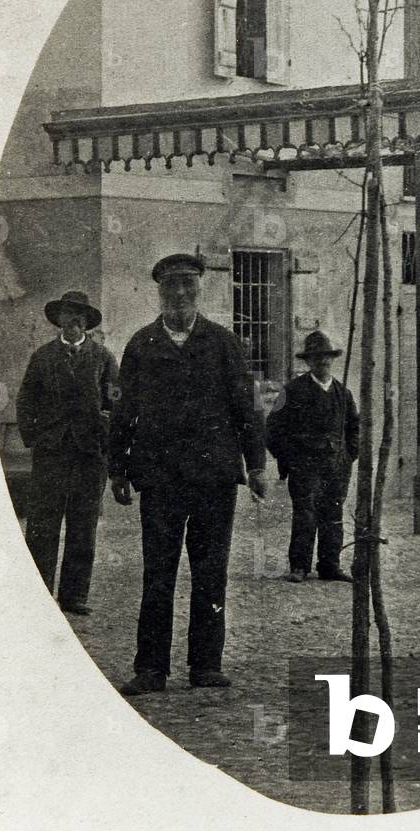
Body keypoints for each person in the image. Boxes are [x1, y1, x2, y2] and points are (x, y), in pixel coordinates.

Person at [109, 253, 269, 695]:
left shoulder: (224, 343)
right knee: (158, 574)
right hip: (160, 478)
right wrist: (116, 468)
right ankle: (151, 669)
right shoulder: (141, 346)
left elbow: (246, 409)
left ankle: (206, 665)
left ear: (199, 290)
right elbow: (123, 412)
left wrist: (256, 464)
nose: (180, 294)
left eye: (188, 286)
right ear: (160, 292)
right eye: (171, 287)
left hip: (214, 477)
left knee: (211, 572)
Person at [16, 290, 119, 615]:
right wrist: (36, 437)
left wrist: (105, 435)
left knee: (83, 525)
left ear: (87, 323)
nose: (73, 321)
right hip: (52, 454)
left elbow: (115, 401)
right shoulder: (42, 357)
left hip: (89, 455)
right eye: (67, 315)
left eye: (80, 316)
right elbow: (25, 401)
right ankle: (39, 592)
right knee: (43, 524)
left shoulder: (103, 358)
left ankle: (74, 596)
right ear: (58, 319)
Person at [266, 331, 359, 584]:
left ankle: (330, 565)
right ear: (308, 362)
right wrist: (291, 460)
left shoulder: (344, 393)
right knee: (305, 515)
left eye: (327, 357)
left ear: (332, 360)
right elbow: (272, 429)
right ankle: (299, 566)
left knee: (333, 515)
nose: (323, 362)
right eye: (317, 358)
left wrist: (348, 455)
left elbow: (354, 429)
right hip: (305, 468)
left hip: (336, 467)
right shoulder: (293, 390)